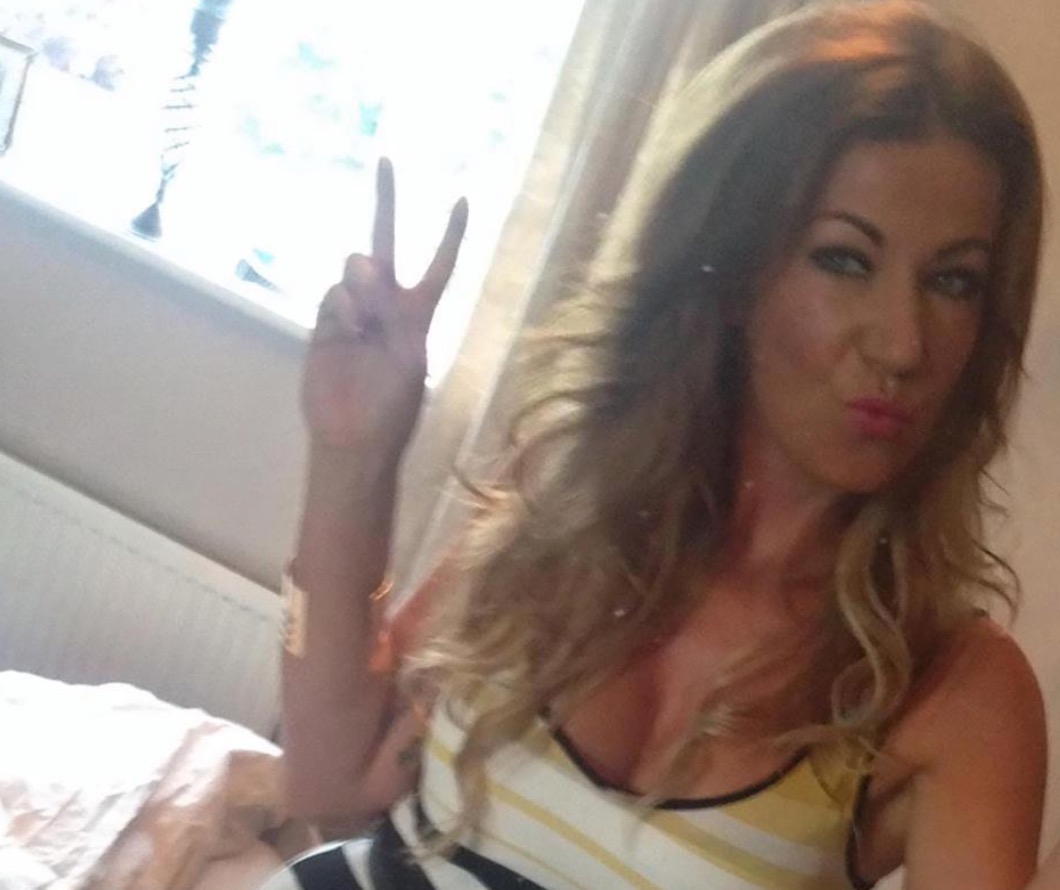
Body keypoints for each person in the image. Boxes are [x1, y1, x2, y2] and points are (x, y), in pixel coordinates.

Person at [264, 1, 1052, 887]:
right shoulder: (567, 518)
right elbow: (329, 783)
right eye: (845, 259)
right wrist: (352, 457)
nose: (904, 344)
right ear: (731, 265)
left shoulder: (955, 691)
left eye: (954, 282)